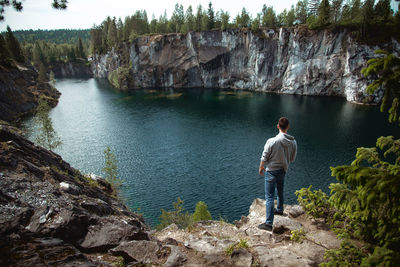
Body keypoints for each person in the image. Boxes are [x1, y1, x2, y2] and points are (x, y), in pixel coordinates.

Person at [258, 117, 297, 231]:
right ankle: (279, 209)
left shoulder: (272, 141)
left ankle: (269, 223)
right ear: (288, 127)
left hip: (271, 170)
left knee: (269, 196)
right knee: (280, 190)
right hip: (283, 169)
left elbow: (264, 156)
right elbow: (293, 158)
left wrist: (261, 166)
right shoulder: (293, 142)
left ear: (278, 126)